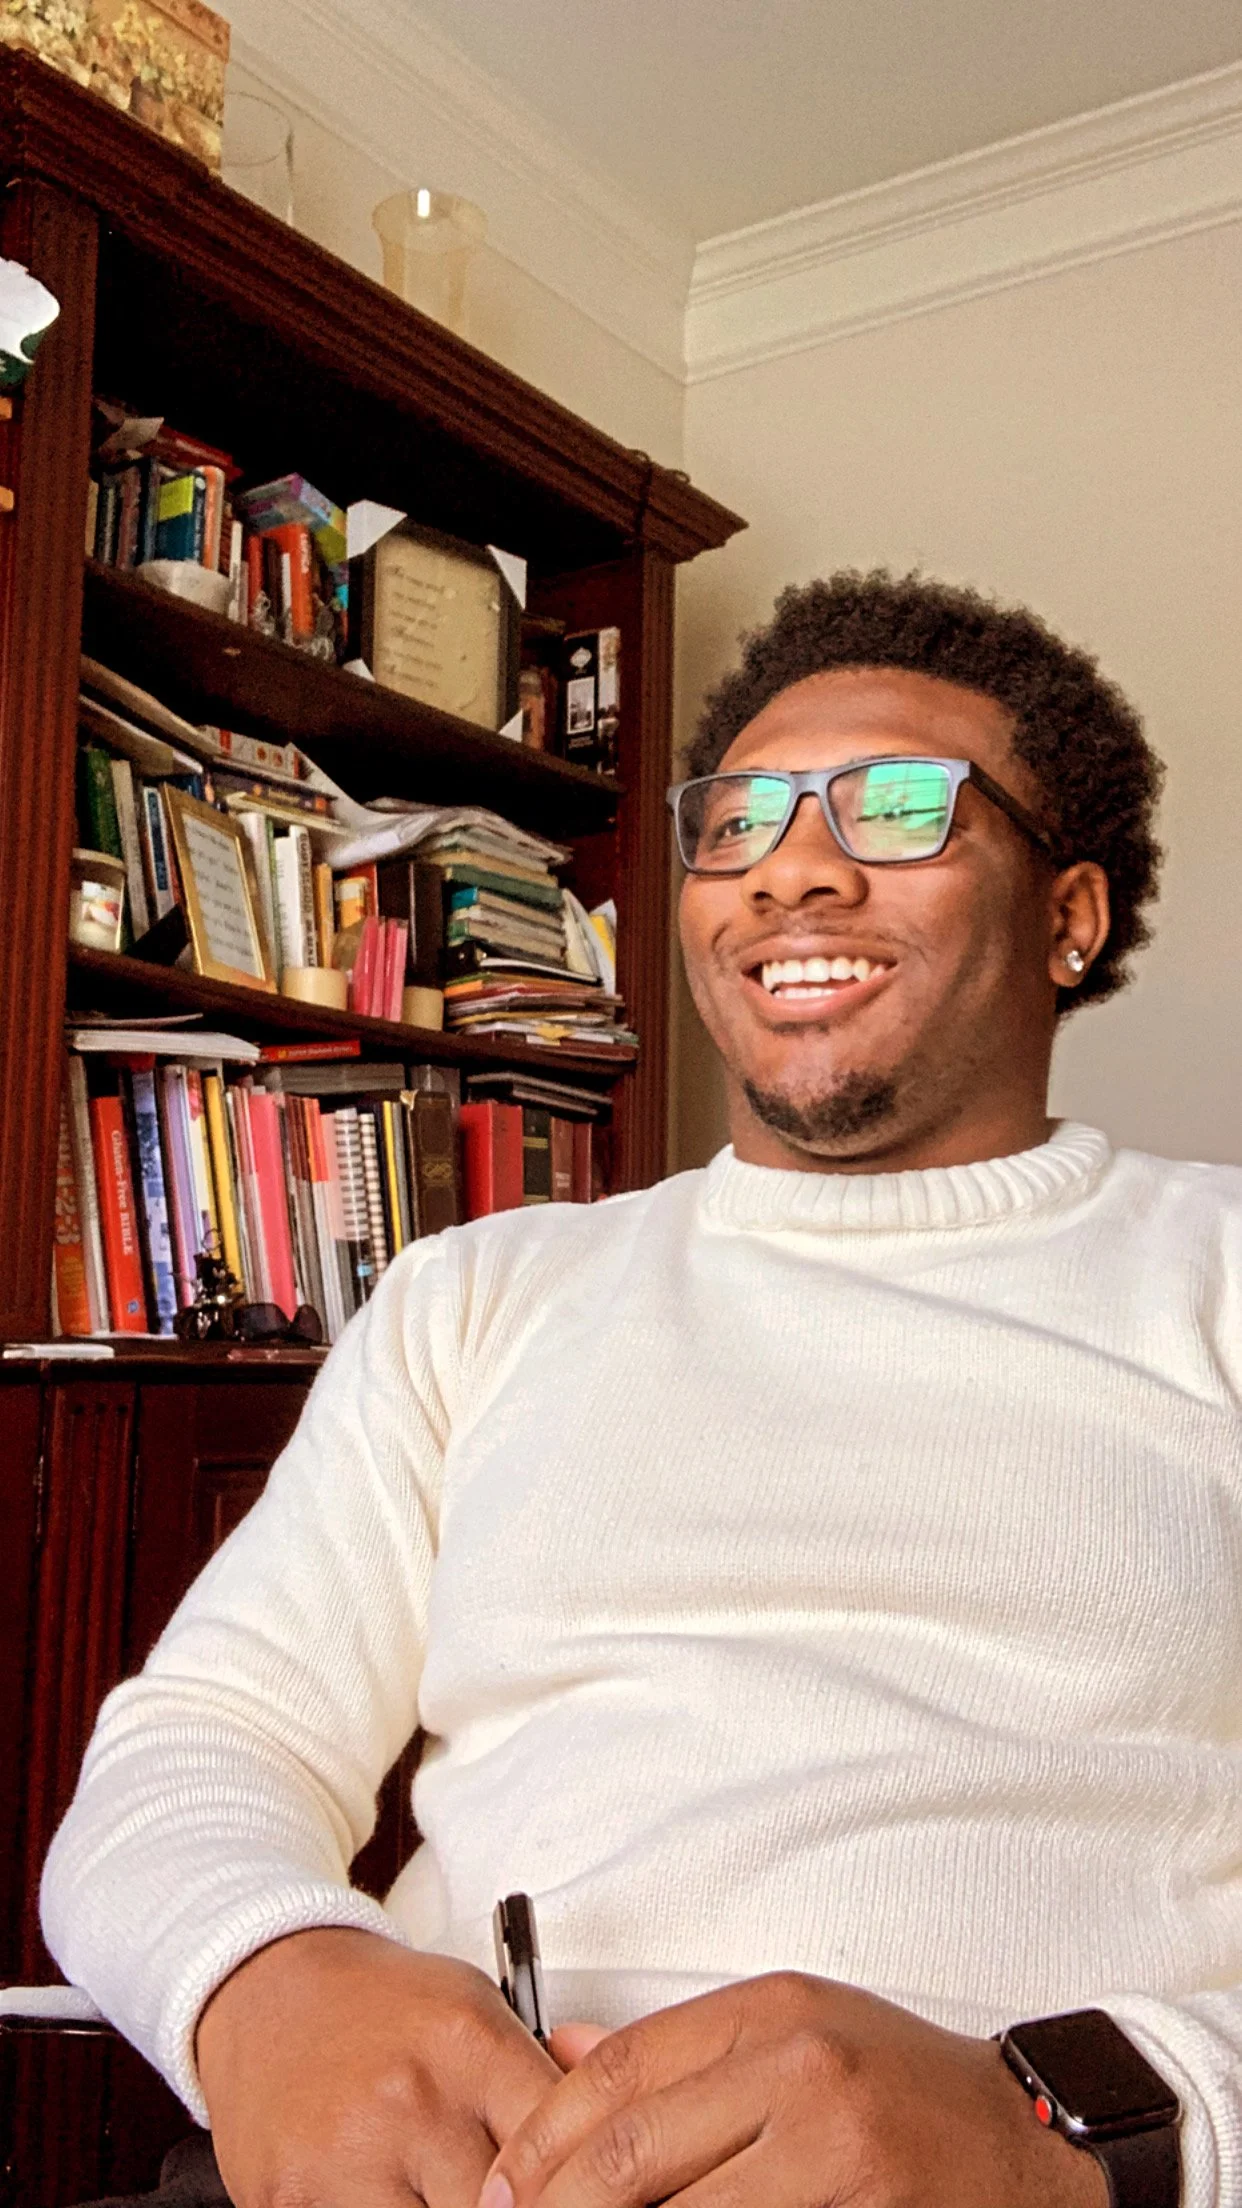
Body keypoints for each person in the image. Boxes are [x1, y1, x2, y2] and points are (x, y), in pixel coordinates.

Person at [43, 570, 1242, 2208]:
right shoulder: (478, 1294)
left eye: (897, 808)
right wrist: (265, 1981)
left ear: (1068, 917)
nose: (791, 868)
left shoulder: (1217, 1273)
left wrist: (1082, 2124)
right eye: (735, 823)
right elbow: (204, 1740)